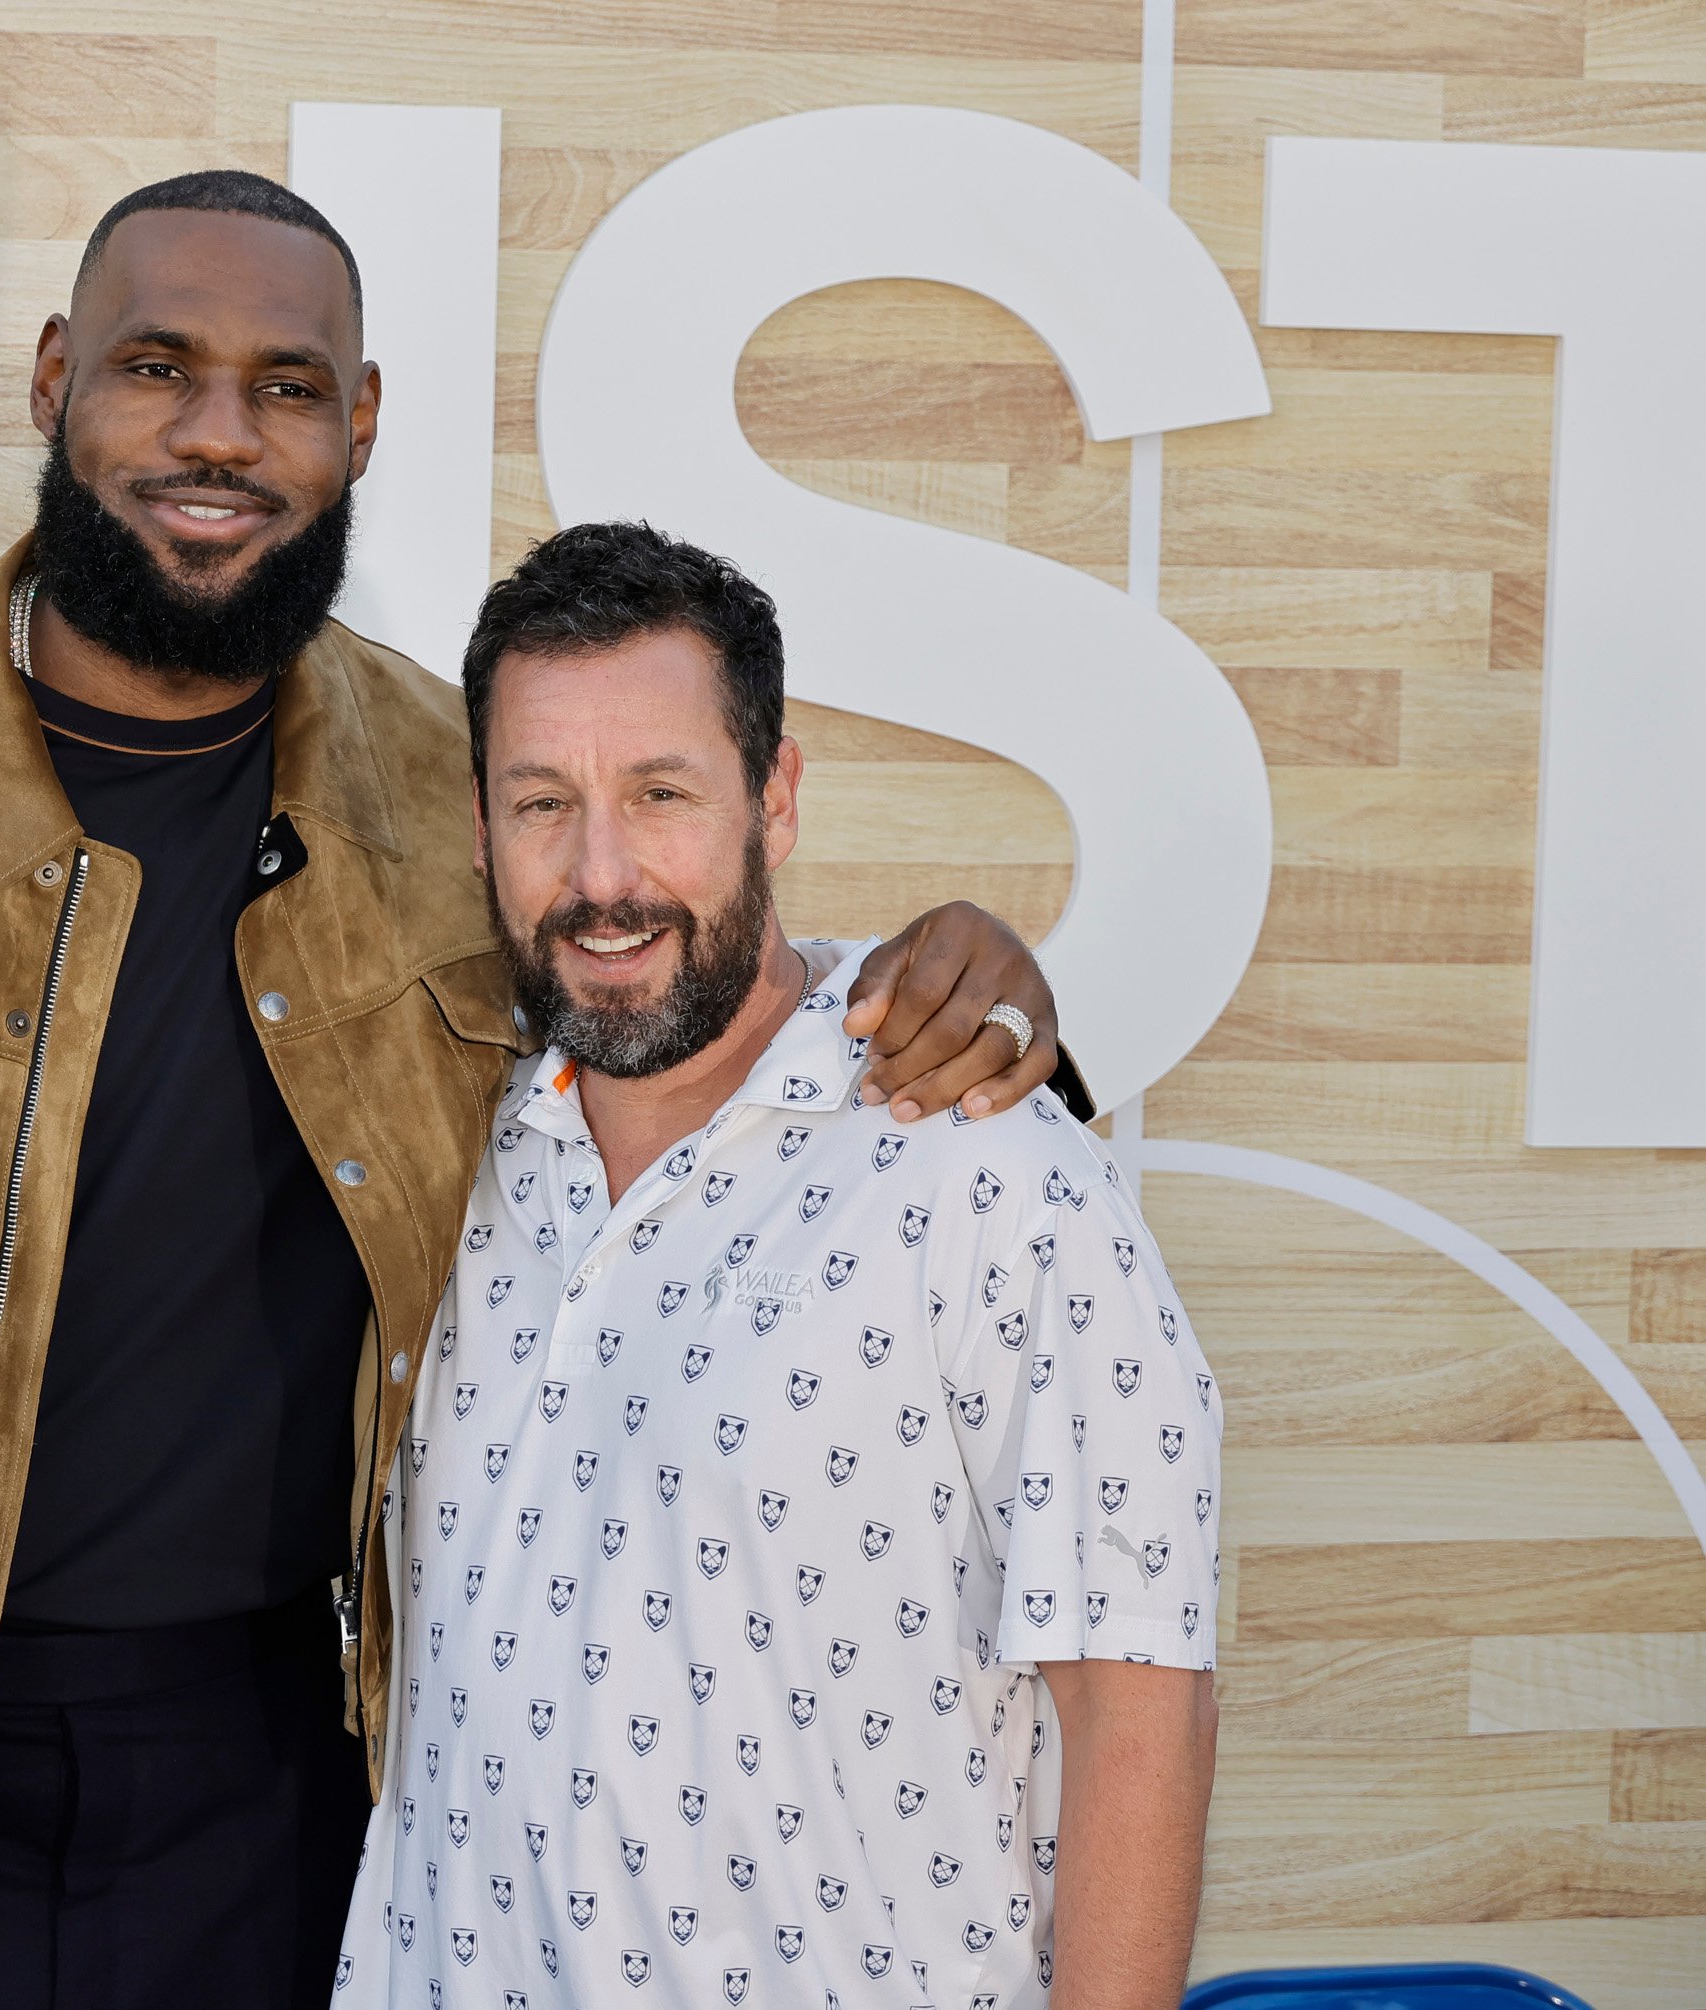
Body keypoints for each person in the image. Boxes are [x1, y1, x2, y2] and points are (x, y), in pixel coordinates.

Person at [0, 174, 1085, 2010]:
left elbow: (688, 997)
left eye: (286, 386)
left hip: (280, 1807)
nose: (216, 435)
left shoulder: (453, 786)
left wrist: (956, 978)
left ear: (362, 424)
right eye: (156, 368)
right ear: (51, 383)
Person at [337, 521, 1220, 2010]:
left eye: (662, 794)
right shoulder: (449, 1137)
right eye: (543, 801)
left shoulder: (983, 1162)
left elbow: (1140, 1705)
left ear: (777, 797)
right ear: (478, 828)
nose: (603, 875)